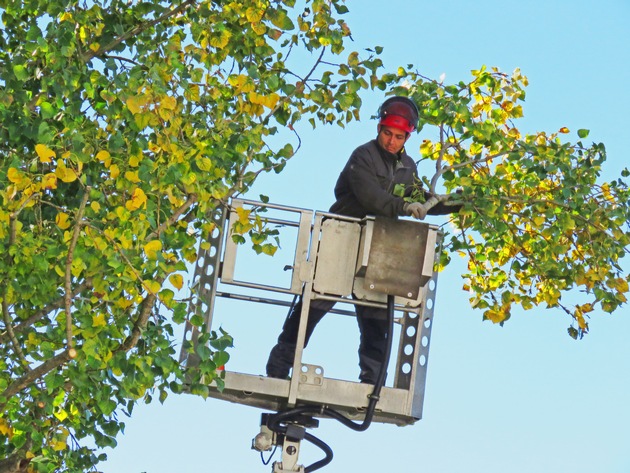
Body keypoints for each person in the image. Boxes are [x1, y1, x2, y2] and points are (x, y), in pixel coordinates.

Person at [266, 96, 460, 383]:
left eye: (398, 137)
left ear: (407, 137)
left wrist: (458, 203)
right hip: (341, 238)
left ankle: (372, 383)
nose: (391, 141)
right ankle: (280, 366)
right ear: (379, 129)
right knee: (313, 305)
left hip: (377, 246)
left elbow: (421, 199)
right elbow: (371, 196)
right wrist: (404, 207)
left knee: (376, 315)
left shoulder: (407, 167)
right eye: (387, 133)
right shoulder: (363, 157)